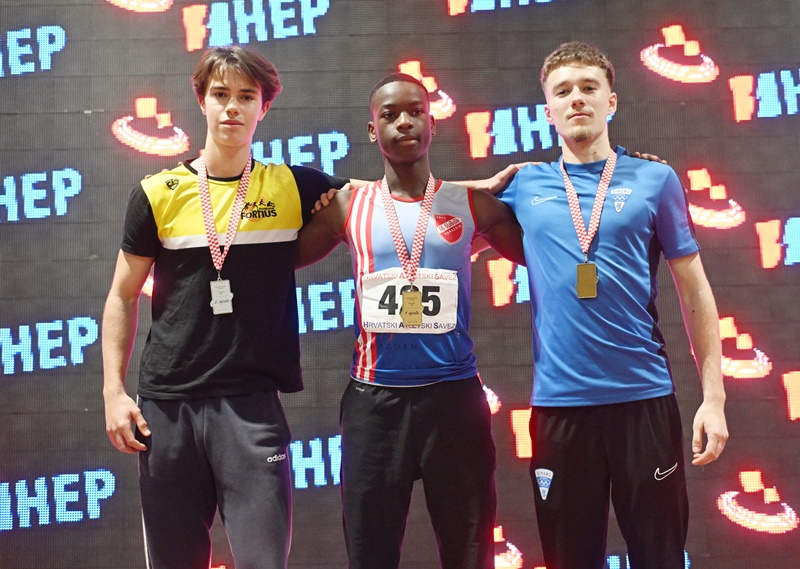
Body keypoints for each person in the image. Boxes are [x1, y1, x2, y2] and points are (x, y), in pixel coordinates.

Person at [101, 45, 360, 569]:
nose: (232, 108)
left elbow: (393, 199)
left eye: (246, 96)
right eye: (220, 95)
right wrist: (113, 391)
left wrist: (477, 194)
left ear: (264, 107)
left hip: (251, 408)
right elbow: (122, 296)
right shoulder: (157, 193)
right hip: (167, 408)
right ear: (202, 101)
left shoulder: (291, 185)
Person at [495, 41, 729, 568]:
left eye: (588, 87)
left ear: (612, 101)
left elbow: (695, 290)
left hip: (643, 401)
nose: (576, 98)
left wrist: (713, 398)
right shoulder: (523, 185)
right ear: (548, 110)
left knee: (660, 556)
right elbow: (433, 205)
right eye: (562, 91)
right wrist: (484, 185)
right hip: (559, 409)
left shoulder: (655, 179)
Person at [294, 73, 526, 569]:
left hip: (454, 401)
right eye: (390, 115)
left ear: (432, 124)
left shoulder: (472, 205)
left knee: (471, 554)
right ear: (372, 130)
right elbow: (275, 260)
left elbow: (549, 251)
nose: (404, 122)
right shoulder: (346, 206)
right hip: (374, 406)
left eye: (415, 111)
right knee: (370, 555)